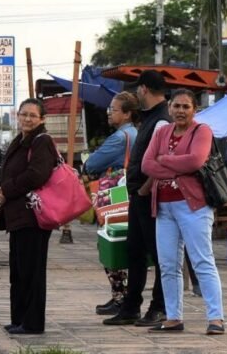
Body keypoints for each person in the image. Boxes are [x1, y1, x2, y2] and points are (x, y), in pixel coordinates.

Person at [141, 88, 225, 335]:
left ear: (194, 110)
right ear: (169, 108)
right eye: (176, 106)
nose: (180, 111)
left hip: (193, 206)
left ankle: (216, 317)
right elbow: (147, 164)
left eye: (185, 107)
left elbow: (196, 161)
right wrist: (176, 166)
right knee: (167, 264)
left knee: (202, 261)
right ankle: (173, 317)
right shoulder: (162, 131)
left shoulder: (202, 131)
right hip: (164, 207)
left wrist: (164, 160)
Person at [103, 70, 170, 327]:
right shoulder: (151, 118)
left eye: (137, 90)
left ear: (144, 89)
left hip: (150, 196)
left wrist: (144, 189)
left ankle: (159, 307)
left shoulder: (161, 120)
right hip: (138, 195)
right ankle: (131, 306)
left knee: (158, 252)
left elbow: (161, 161)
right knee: (135, 251)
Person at [0, 98, 58, 335]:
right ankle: (19, 318)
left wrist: (5, 190)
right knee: (18, 272)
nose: (27, 119)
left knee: (32, 272)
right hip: (18, 216)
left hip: (33, 216)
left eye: (32, 115)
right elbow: (12, 172)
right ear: (17, 116)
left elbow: (36, 175)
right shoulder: (20, 140)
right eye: (24, 114)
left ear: (42, 119)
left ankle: (32, 323)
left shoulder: (42, 141)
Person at [83, 91, 140, 316]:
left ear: (127, 114)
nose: (109, 113)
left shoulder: (120, 138)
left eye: (114, 109)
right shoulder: (136, 133)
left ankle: (120, 296)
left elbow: (93, 163)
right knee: (127, 246)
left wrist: (88, 168)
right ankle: (122, 296)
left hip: (115, 197)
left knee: (109, 242)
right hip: (132, 196)